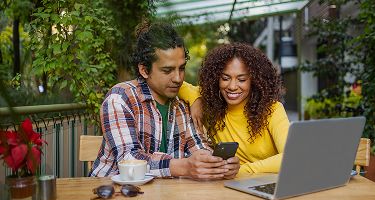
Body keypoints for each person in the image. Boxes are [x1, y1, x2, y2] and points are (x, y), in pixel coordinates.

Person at [89, 22, 240, 179]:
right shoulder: (120, 98)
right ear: (144, 70)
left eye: (181, 68)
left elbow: (198, 147)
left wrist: (217, 164)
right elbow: (129, 159)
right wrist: (184, 167)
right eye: (167, 70)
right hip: (112, 193)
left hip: (164, 196)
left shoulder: (183, 104)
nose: (178, 78)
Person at [179, 42, 290, 176]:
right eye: (225, 78)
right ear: (216, 78)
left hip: (267, 182)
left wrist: (242, 170)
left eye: (241, 80)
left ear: (254, 80)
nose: (232, 86)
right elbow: (174, 82)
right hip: (228, 187)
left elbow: (291, 156)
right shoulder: (212, 104)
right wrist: (195, 99)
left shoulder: (272, 109)